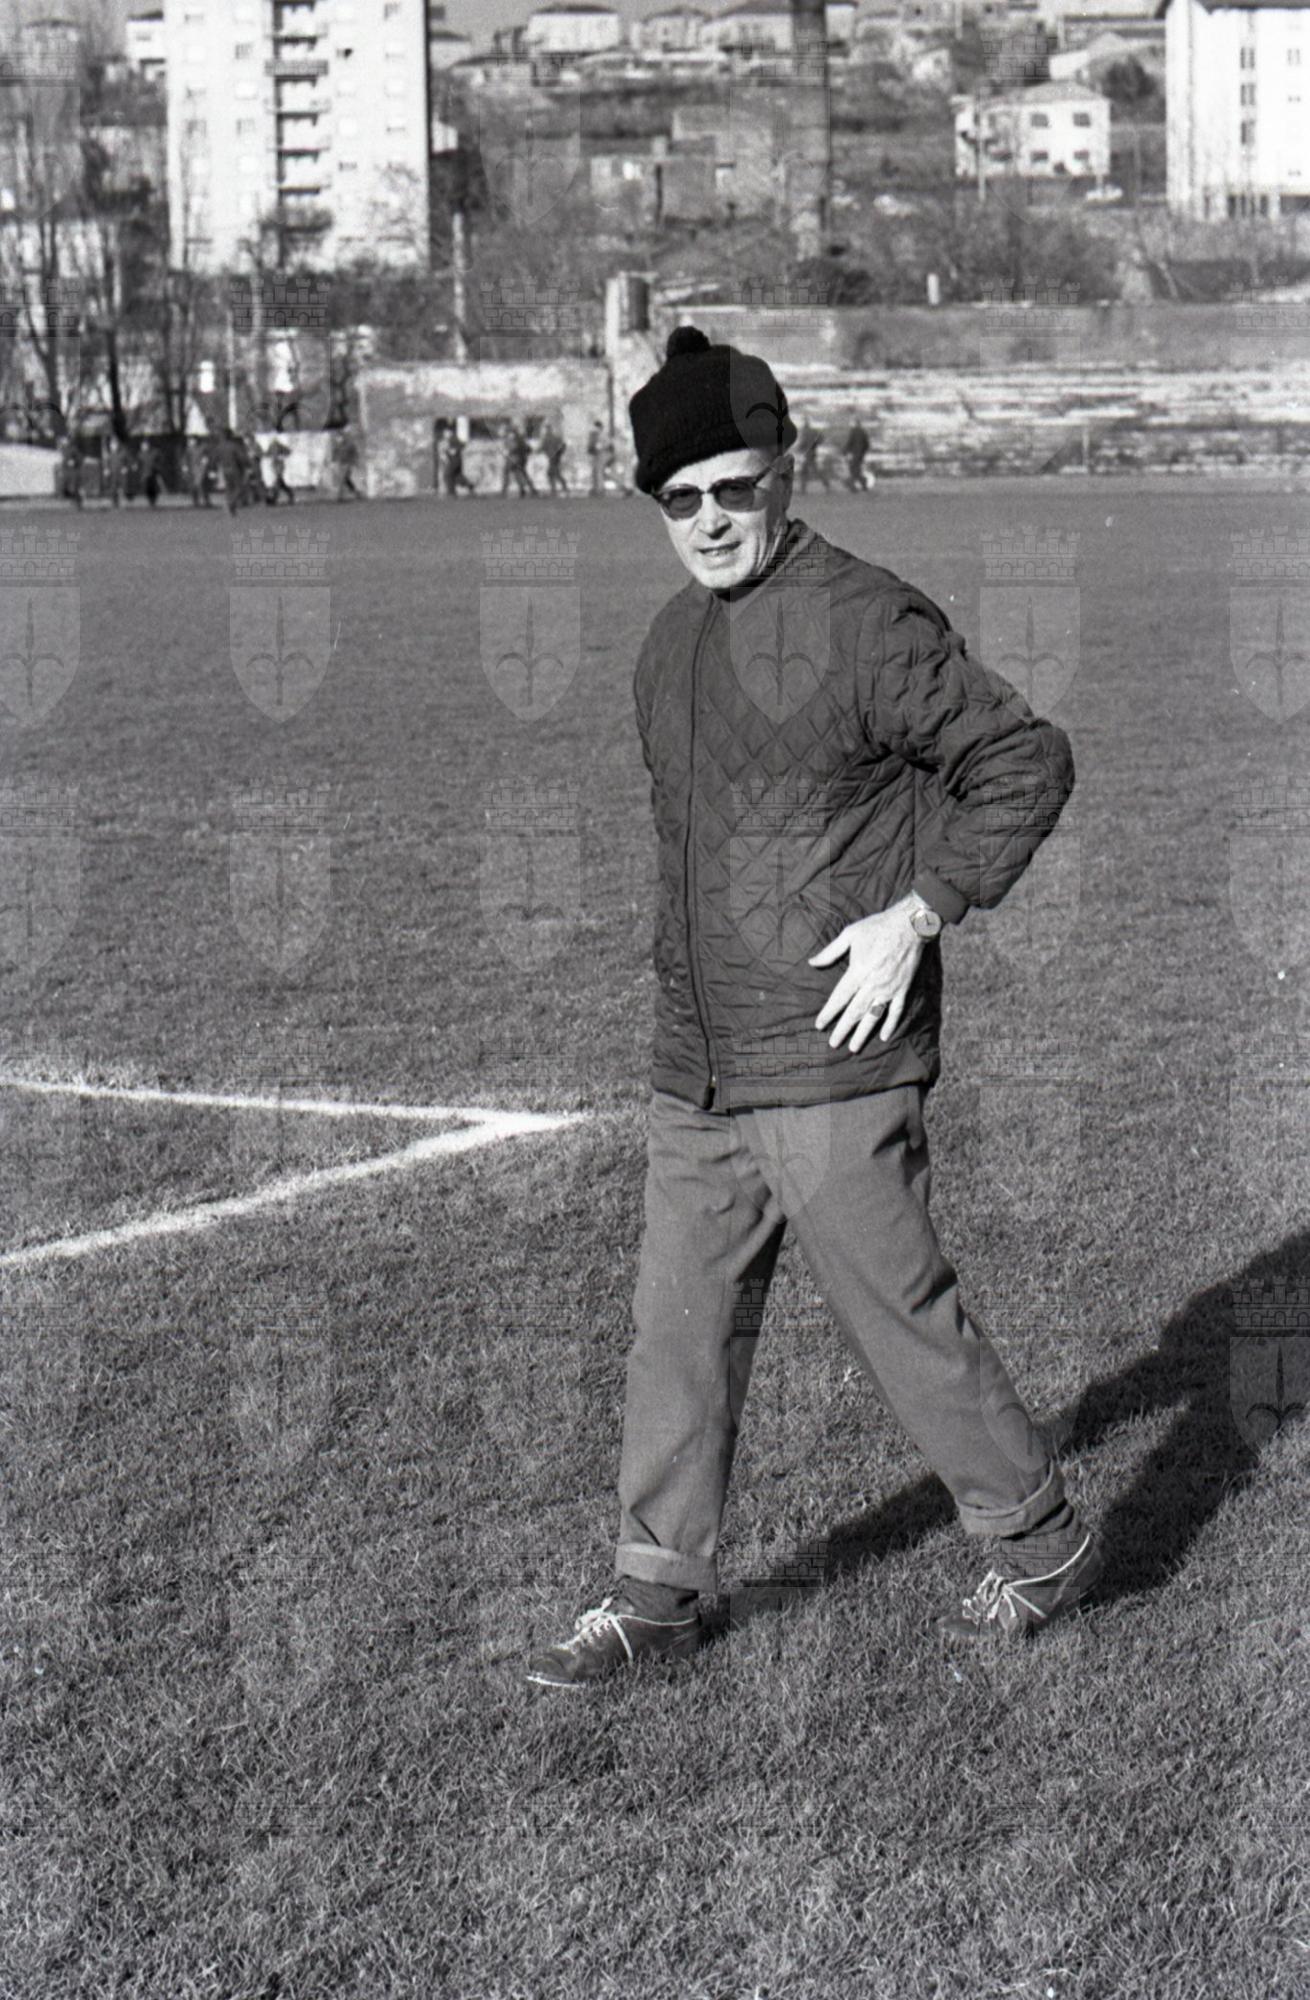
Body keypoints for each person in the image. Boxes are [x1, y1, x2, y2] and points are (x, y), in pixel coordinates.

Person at [526, 324, 1102, 1690]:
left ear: (783, 471)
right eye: (679, 499)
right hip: (699, 1064)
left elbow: (1021, 759)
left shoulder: (864, 620)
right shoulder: (668, 644)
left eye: (733, 487)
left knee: (902, 1326)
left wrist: (918, 915)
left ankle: (1040, 1542)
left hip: (833, 1057)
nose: (709, 519)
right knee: (675, 1334)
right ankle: (656, 1595)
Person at [499, 420, 535, 498]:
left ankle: (504, 491)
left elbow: (514, 447)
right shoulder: (517, 437)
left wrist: (508, 451)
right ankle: (526, 490)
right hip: (519, 458)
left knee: (507, 472)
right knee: (519, 473)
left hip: (513, 457)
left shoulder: (512, 437)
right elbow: (526, 448)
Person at [795, 418, 830, 495]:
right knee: (814, 470)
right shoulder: (814, 431)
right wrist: (815, 445)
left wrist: (798, 449)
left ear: (804, 424)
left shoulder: (804, 432)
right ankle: (826, 485)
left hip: (807, 454)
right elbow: (821, 439)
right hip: (813, 453)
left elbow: (803, 443)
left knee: (805, 471)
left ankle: (803, 489)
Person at [216, 430, 247, 515]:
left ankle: (231, 506)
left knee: (229, 488)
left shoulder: (219, 446)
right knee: (239, 488)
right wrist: (246, 464)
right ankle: (231, 503)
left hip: (224, 469)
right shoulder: (234, 446)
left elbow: (215, 458)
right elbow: (241, 457)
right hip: (234, 468)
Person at [440, 425, 476, 497]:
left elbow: (457, 448)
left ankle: (451, 493)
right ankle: (469, 485)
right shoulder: (452, 439)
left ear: (450, 432)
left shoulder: (452, 439)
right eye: (444, 432)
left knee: (447, 475)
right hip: (457, 460)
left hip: (454, 460)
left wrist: (451, 450)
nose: (444, 434)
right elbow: (462, 444)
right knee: (457, 476)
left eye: (446, 432)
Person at [332, 425, 361, 501]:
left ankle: (340, 497)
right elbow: (335, 453)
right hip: (340, 464)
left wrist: (355, 463)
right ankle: (356, 492)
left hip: (347, 464)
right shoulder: (338, 445)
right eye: (337, 437)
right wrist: (334, 461)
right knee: (346, 480)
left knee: (342, 479)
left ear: (343, 437)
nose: (338, 439)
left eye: (339, 437)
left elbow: (355, 454)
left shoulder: (349, 444)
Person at [842, 417, 872, 492]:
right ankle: (863, 485)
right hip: (861, 454)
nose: (850, 424)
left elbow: (850, 442)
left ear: (855, 423)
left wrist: (844, 451)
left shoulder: (853, 431)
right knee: (857, 470)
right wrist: (863, 452)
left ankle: (853, 487)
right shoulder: (863, 431)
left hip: (854, 453)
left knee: (853, 469)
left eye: (852, 423)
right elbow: (867, 444)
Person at [540, 422, 569, 497]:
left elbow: (563, 445)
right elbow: (543, 448)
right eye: (547, 429)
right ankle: (562, 488)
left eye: (548, 429)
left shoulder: (553, 438)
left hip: (554, 458)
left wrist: (559, 453)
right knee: (555, 473)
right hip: (552, 458)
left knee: (552, 474)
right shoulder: (548, 438)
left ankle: (556, 489)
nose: (547, 430)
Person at [183, 436, 214, 508]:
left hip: (201, 469)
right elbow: (185, 458)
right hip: (192, 470)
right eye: (190, 441)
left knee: (200, 485)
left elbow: (206, 457)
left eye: (191, 440)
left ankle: (206, 501)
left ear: (196, 440)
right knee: (193, 486)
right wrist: (185, 467)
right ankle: (196, 502)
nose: (190, 442)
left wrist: (205, 466)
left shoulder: (202, 448)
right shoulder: (189, 449)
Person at [266, 433, 295, 505]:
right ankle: (290, 495)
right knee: (280, 482)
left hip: (278, 464)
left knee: (278, 481)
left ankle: (274, 498)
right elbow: (267, 454)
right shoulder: (273, 446)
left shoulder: (278, 446)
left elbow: (288, 451)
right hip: (275, 464)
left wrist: (281, 456)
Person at [103, 433, 127, 508]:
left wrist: (124, 467)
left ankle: (121, 502)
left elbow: (125, 461)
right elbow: (107, 463)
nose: (113, 446)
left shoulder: (122, 453)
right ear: (110, 446)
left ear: (117, 445)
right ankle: (114, 503)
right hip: (112, 474)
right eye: (112, 445)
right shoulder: (109, 455)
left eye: (115, 445)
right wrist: (106, 469)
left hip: (120, 473)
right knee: (113, 488)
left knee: (120, 488)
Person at [59, 438, 83, 509]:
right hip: (66, 471)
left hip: (73, 471)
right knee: (64, 487)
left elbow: (80, 458)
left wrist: (74, 462)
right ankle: (74, 500)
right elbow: (63, 461)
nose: (63, 443)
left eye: (64, 441)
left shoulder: (73, 449)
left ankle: (77, 502)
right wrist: (61, 470)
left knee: (74, 488)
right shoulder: (63, 450)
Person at [138, 438, 161, 507]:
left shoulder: (154, 452)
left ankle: (153, 501)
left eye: (145, 445)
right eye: (142, 446)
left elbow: (159, 460)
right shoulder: (140, 454)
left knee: (153, 488)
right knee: (147, 488)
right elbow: (139, 464)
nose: (143, 447)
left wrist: (157, 468)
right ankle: (150, 501)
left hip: (153, 473)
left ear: (148, 445)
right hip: (145, 474)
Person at [586, 418, 607, 496]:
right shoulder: (598, 434)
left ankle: (599, 490)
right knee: (596, 472)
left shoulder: (600, 434)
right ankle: (597, 489)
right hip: (597, 455)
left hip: (599, 455)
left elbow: (601, 445)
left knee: (598, 472)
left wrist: (595, 449)